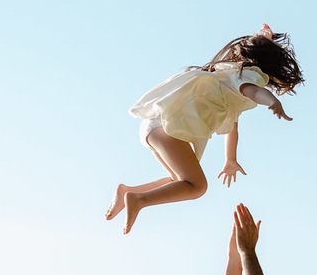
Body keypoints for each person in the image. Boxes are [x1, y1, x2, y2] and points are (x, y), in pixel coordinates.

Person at [106, 25, 304, 234]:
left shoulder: (226, 81)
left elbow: (232, 127)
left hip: (154, 127)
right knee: (197, 186)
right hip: (166, 130)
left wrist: (230, 159)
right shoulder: (246, 75)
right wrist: (272, 101)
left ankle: (127, 191)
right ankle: (139, 199)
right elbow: (255, 92)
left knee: (179, 182)